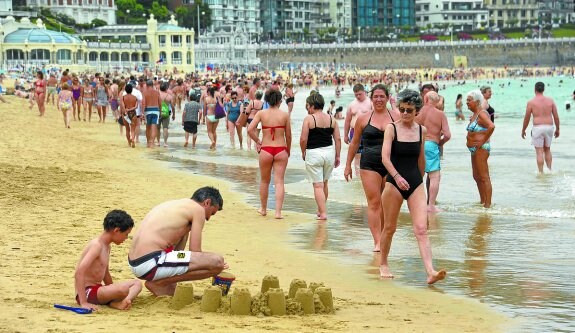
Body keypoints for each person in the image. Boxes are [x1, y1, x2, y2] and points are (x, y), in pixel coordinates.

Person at [380, 89, 446, 284]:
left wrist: (422, 178)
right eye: (402, 109)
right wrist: (397, 177)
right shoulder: (391, 128)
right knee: (390, 228)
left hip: (415, 182)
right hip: (394, 183)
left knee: (421, 229)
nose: (405, 113)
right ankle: (383, 264)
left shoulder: (421, 130)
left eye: (409, 110)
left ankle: (430, 271)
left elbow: (421, 158)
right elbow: (385, 157)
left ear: (417, 110)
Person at [128, 187, 226, 296]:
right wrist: (215, 265)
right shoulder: (198, 210)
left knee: (175, 291)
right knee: (217, 262)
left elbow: (179, 254)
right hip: (151, 261)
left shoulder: (178, 206)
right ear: (207, 203)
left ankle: (164, 284)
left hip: (137, 262)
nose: (208, 218)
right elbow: (195, 251)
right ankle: (159, 283)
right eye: (211, 213)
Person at [344, 84, 398, 251]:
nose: (379, 99)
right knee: (374, 203)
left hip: (391, 164)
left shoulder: (396, 116)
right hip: (369, 164)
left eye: (382, 96)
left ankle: (384, 235)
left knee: (385, 203)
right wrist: (347, 165)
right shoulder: (363, 118)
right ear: (371, 98)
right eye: (376, 96)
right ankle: (377, 241)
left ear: (388, 98)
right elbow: (354, 143)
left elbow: (407, 140)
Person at [74, 210, 142, 311]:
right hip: (87, 292)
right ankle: (116, 302)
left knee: (137, 284)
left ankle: (118, 302)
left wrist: (112, 291)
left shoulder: (107, 246)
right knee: (123, 289)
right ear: (117, 230)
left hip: (98, 289)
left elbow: (105, 274)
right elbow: (79, 272)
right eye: (126, 234)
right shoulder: (96, 246)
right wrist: (83, 302)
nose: (126, 238)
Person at [248, 89, 292, 219]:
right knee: (279, 182)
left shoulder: (261, 113)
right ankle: (278, 213)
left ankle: (263, 209)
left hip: (266, 149)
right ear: (279, 100)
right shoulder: (284, 115)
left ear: (266, 100)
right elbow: (288, 135)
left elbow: (250, 129)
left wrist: (258, 141)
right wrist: (288, 149)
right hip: (280, 149)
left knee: (264, 181)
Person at [300, 92, 341, 220]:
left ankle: (323, 213)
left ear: (312, 105)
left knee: (317, 185)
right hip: (329, 152)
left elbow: (303, 139)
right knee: (324, 183)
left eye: (308, 106)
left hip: (314, 152)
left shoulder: (309, 119)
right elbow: (338, 139)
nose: (308, 109)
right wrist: (338, 156)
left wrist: (303, 152)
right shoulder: (331, 119)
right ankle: (320, 209)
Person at [415, 91, 451, 212]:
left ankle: (416, 202)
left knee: (417, 175)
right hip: (431, 144)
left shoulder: (417, 112)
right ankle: (430, 205)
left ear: (425, 99)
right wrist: (439, 143)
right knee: (434, 176)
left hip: (416, 144)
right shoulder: (440, 114)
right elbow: (447, 135)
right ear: (436, 102)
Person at [521, 81, 560, 174]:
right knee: (547, 149)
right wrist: (558, 129)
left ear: (535, 90)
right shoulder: (551, 101)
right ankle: (550, 170)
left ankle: (541, 172)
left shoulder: (531, 102)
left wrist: (523, 130)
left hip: (538, 127)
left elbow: (527, 118)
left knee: (539, 151)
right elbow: (556, 116)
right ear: (543, 89)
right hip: (549, 126)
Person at [466, 90, 495, 208]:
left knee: (484, 177)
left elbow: (491, 126)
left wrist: (483, 141)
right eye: (466, 100)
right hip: (474, 149)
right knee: (476, 176)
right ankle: (482, 201)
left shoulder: (482, 113)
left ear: (477, 102)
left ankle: (487, 205)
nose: (466, 103)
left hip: (481, 148)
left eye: (469, 100)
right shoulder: (474, 115)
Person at [343, 84, 373, 172]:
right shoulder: (352, 104)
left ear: (364, 92)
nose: (358, 96)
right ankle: (358, 174)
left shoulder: (370, 103)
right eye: (356, 95)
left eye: (360, 94)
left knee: (369, 153)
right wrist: (345, 135)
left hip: (367, 130)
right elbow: (347, 121)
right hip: (354, 131)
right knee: (356, 154)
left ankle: (368, 171)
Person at [142, 79, 161, 148]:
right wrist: (160, 111)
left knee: (148, 127)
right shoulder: (157, 92)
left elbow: (143, 103)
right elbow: (160, 102)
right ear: (152, 85)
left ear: (146, 85)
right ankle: (152, 143)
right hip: (156, 110)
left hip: (147, 110)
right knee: (154, 127)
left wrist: (142, 113)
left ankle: (148, 142)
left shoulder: (144, 92)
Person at [158, 82, 175, 148]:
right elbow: (173, 106)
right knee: (165, 128)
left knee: (157, 128)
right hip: (166, 113)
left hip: (158, 112)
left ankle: (158, 142)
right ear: (166, 89)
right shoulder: (169, 96)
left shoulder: (157, 95)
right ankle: (165, 142)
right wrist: (174, 114)